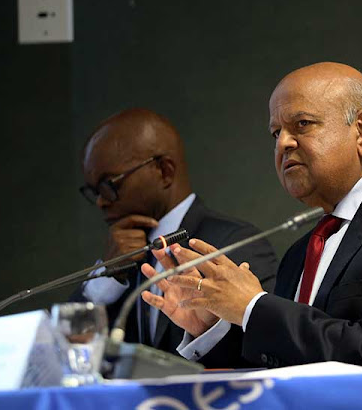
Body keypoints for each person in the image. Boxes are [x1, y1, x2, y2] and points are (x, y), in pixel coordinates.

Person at [140, 62, 362, 368]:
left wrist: (254, 307)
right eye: (276, 133)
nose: (283, 143)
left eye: (302, 124)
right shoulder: (301, 253)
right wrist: (210, 328)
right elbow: (286, 363)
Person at [72, 108, 279, 354]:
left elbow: (261, 350)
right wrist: (108, 275)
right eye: (93, 191)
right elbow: (68, 343)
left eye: (109, 185)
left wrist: (203, 330)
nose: (101, 202)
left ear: (164, 171)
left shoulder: (236, 243)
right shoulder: (120, 254)